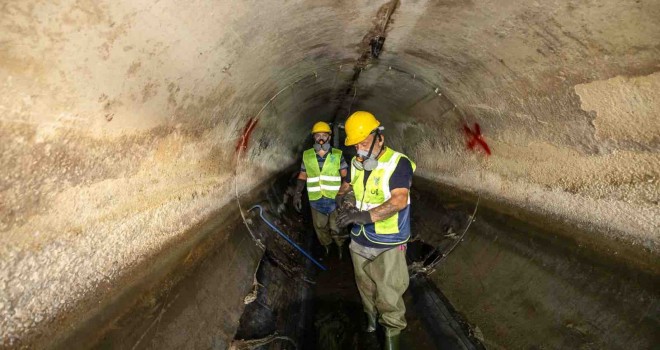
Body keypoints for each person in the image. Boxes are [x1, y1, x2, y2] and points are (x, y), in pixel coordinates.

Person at [335, 111, 415, 350]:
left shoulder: (398, 163)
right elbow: (347, 187)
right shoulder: (356, 163)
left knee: (389, 294)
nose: (359, 148)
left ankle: (392, 338)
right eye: (356, 144)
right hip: (360, 239)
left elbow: (399, 200)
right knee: (365, 286)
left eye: (364, 142)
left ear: (379, 137)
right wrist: (346, 201)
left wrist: (363, 216)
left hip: (388, 241)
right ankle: (370, 324)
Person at [293, 121, 349, 258]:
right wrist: (297, 193)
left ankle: (340, 247)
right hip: (316, 198)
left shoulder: (337, 154)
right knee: (319, 226)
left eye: (324, 135)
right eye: (318, 135)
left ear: (329, 137)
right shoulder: (307, 155)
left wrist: (345, 194)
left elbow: (346, 177)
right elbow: (303, 174)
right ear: (314, 137)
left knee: (337, 226)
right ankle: (327, 247)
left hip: (335, 198)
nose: (321, 138)